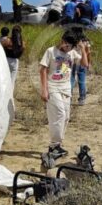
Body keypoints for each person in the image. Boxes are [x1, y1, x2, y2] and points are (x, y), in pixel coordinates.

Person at [39, 30, 89, 158]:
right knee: (59, 114)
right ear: (62, 40)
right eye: (66, 45)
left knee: (66, 117)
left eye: (70, 47)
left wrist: (83, 49)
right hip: (53, 87)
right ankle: (54, 145)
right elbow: (43, 70)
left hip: (66, 89)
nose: (67, 48)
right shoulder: (51, 51)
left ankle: (58, 145)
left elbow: (84, 64)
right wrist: (44, 89)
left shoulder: (72, 53)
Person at [70, 28, 92, 106]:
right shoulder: (86, 41)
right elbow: (88, 52)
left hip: (72, 62)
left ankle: (69, 98)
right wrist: (89, 63)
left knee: (71, 80)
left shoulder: (72, 40)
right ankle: (82, 99)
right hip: (83, 61)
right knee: (82, 81)